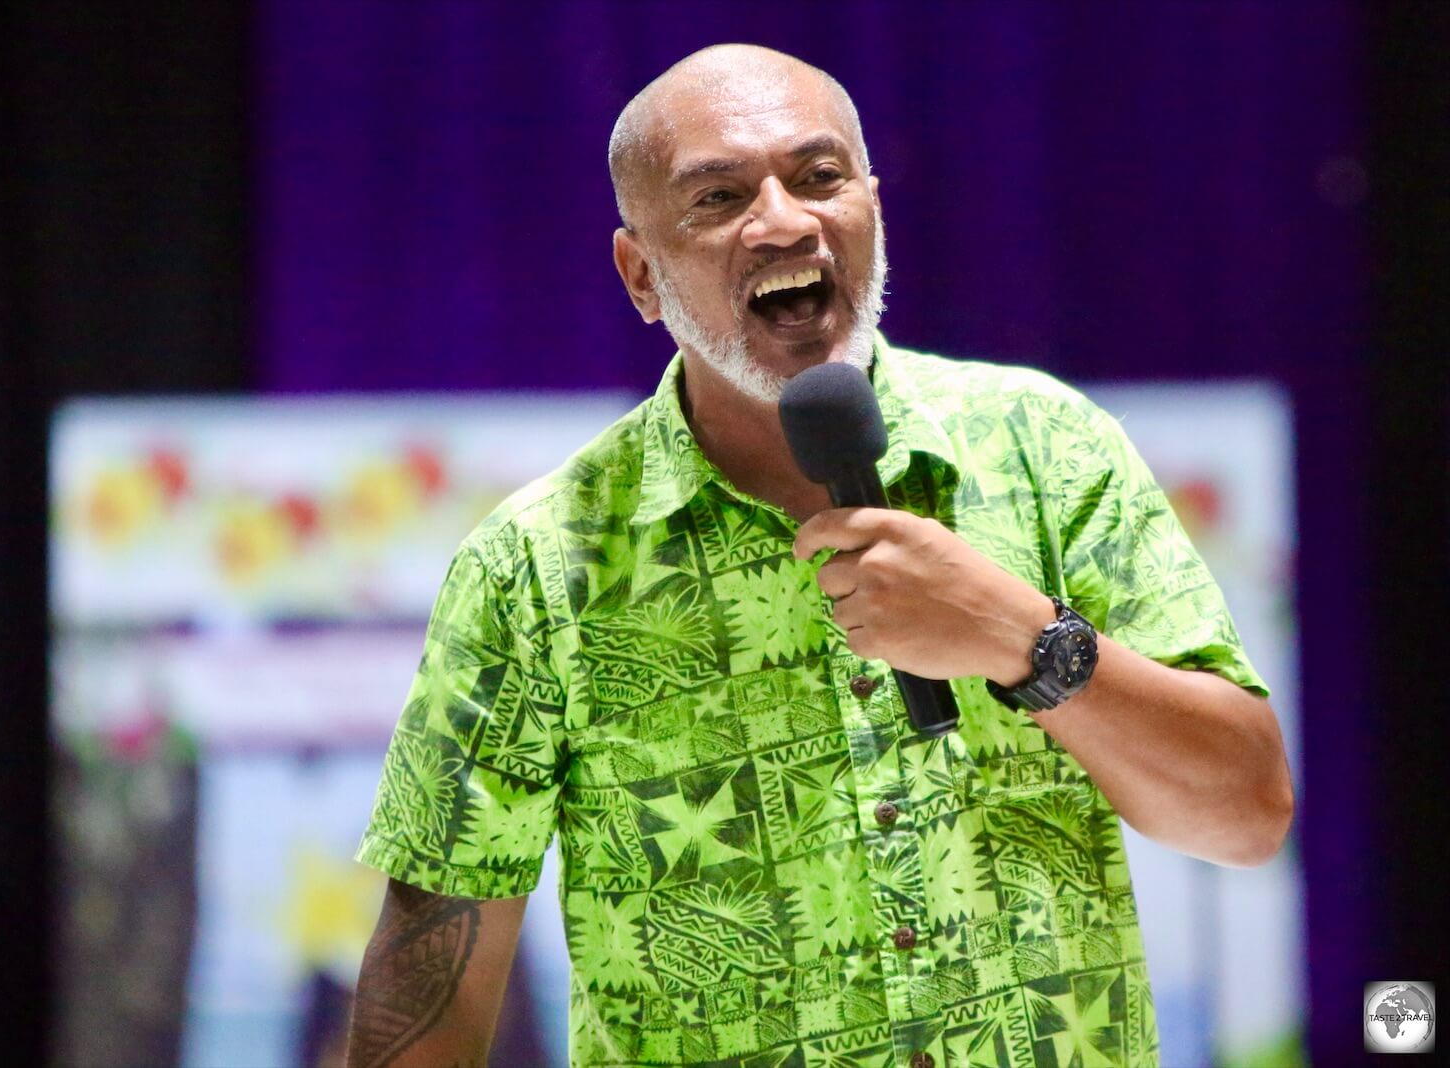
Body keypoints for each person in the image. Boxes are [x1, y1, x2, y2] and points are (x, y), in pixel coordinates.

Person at [345, 43, 1293, 1068]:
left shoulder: (1045, 448)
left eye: (818, 177)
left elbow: (1244, 817)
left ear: (873, 213)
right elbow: (431, 988)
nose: (784, 220)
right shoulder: (536, 567)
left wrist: (1025, 642)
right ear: (639, 275)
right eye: (716, 197)